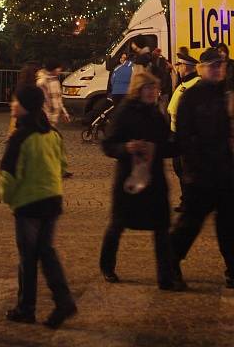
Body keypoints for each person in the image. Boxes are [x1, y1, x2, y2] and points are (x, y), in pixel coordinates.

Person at [0, 84, 76, 328]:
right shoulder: (52, 133)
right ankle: (62, 300)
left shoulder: (19, 137)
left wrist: (10, 199)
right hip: (52, 201)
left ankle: (27, 307)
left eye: (16, 101)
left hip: (28, 204)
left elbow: (9, 175)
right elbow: (63, 165)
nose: (12, 104)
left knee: (28, 258)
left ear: (25, 106)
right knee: (46, 252)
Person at [99, 70, 180, 290]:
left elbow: (165, 143)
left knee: (162, 228)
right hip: (129, 178)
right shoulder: (124, 112)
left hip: (154, 179)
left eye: (155, 89)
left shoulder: (156, 112)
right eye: (148, 88)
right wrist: (126, 147)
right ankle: (107, 266)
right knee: (118, 224)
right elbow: (108, 145)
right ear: (138, 90)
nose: (153, 92)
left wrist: (180, 144)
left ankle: (165, 277)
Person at [170, 47, 234, 289]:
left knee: (229, 224)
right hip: (201, 173)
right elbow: (185, 138)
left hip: (225, 172)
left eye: (221, 65)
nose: (218, 69)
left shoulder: (223, 95)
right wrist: (194, 170)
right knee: (189, 224)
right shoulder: (190, 96)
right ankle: (170, 264)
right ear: (202, 69)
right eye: (213, 66)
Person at [167, 52, 200, 212]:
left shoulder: (195, 83)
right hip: (176, 134)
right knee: (180, 170)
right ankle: (186, 199)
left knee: (187, 170)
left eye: (179, 65)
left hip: (185, 136)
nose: (177, 68)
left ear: (185, 67)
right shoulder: (184, 83)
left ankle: (190, 202)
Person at [36, 58, 71, 127]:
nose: (60, 70)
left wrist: (64, 113)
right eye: (58, 68)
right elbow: (42, 101)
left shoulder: (55, 80)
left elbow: (58, 98)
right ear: (53, 68)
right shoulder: (42, 82)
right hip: (45, 117)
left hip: (53, 118)